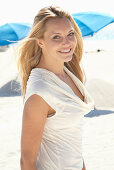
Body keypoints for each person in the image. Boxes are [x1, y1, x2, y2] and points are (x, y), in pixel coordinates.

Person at [17, 6, 94, 170]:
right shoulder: (41, 91)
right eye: (56, 37)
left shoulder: (69, 74)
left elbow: (71, 141)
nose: (67, 42)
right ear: (40, 42)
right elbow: (26, 162)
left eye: (70, 34)